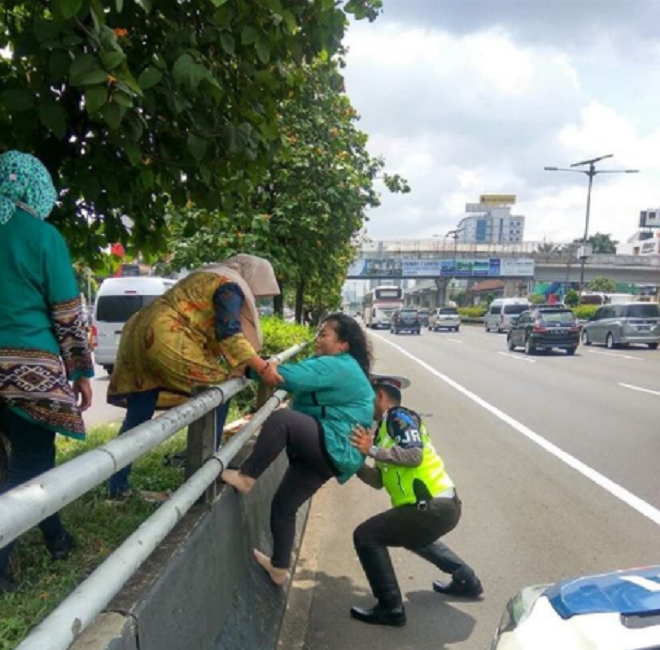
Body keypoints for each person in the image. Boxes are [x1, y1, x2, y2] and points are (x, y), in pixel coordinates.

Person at [0, 151, 94, 596]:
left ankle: (55, 536)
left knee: (32, 452)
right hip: (28, 370)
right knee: (32, 461)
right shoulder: (42, 235)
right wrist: (79, 371)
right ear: (37, 190)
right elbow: (68, 314)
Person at [106, 254, 282, 500]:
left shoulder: (208, 275)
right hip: (166, 334)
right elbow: (229, 333)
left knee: (138, 416)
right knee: (218, 391)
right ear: (254, 278)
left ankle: (117, 488)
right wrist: (263, 368)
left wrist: (240, 362)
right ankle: (207, 470)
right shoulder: (230, 285)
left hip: (138, 331)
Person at [222, 313, 375, 585]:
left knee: (282, 420)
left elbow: (287, 377)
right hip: (333, 450)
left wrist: (247, 363)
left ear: (343, 344)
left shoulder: (339, 365)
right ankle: (279, 569)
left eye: (325, 333)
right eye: (318, 332)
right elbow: (298, 375)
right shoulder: (337, 364)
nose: (318, 339)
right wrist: (255, 370)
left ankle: (246, 477)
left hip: (334, 444)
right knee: (283, 505)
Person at [348, 376, 483, 627]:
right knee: (412, 536)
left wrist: (372, 451)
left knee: (365, 536)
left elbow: (413, 455)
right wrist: (353, 464)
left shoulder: (399, 416)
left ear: (379, 396)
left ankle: (390, 608)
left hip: (432, 505)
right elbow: (378, 480)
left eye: (367, 398)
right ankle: (466, 579)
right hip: (438, 508)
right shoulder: (383, 433)